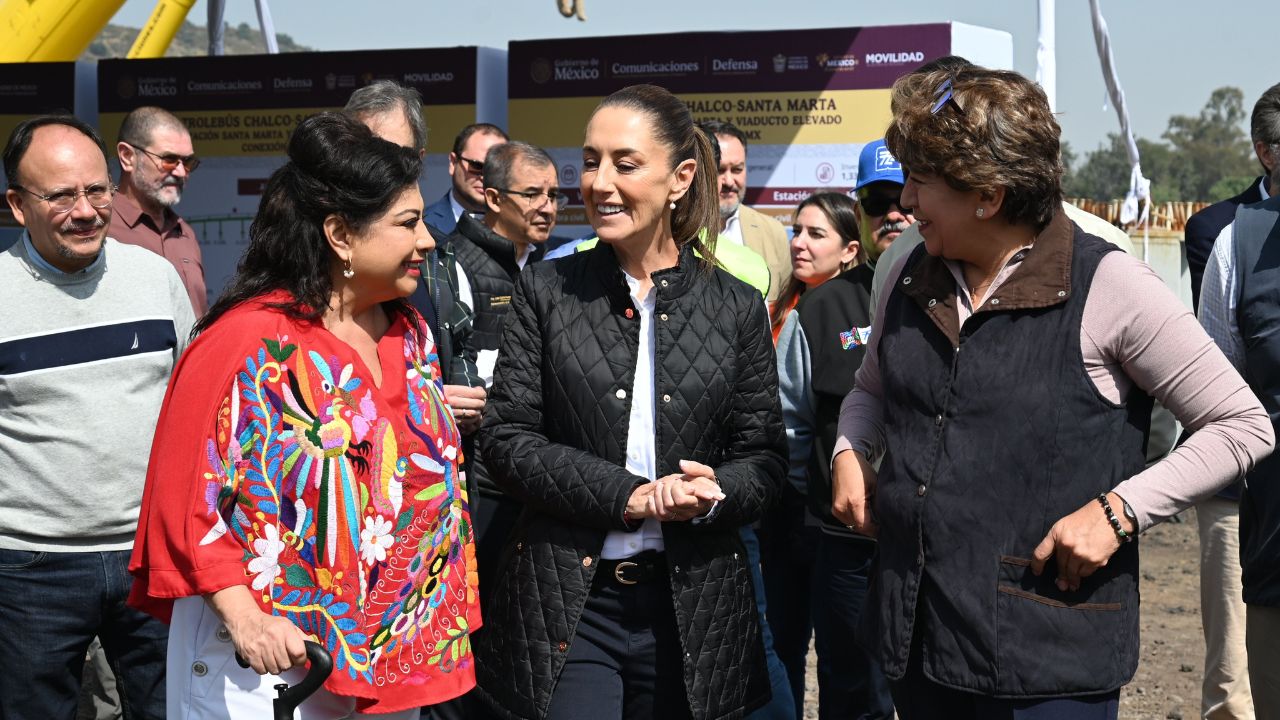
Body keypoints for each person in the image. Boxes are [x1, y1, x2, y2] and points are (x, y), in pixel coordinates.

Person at [830, 66, 1273, 719]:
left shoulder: (1109, 285)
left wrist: (1120, 512)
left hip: (1048, 662)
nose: (905, 202)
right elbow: (871, 387)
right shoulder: (908, 274)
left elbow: (1242, 425)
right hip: (919, 645)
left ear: (987, 194)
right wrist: (849, 448)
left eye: (920, 181)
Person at [127, 112, 480, 719]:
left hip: (398, 658)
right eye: (408, 223)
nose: (428, 240)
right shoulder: (247, 343)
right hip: (275, 661)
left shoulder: (411, 332)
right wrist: (245, 619)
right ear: (341, 234)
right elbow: (184, 504)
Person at [473, 84, 786, 720]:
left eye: (625, 163)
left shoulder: (734, 306)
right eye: (590, 161)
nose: (600, 182)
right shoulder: (547, 290)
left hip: (694, 605)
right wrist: (628, 495)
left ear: (681, 177)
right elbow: (508, 440)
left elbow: (765, 461)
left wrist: (716, 490)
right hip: (570, 602)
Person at [1, 114, 195, 720]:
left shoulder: (155, 278)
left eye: (96, 189)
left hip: (152, 557)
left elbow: (195, 408)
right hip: (30, 570)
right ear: (16, 204)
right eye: (60, 195)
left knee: (175, 710)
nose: (85, 210)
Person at [767, 192, 893, 719]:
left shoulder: (951, 292)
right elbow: (790, 422)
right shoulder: (817, 310)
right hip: (836, 531)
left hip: (932, 532)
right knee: (849, 681)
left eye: (816, 233)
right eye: (879, 202)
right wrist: (814, 490)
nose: (896, 213)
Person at [1187, 81, 1280, 720]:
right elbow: (1220, 391)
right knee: (1243, 676)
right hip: (1259, 503)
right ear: (1265, 152)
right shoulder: (1228, 241)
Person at [343, 81, 487, 436]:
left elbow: (462, 347)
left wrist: (461, 397)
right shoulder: (312, 257)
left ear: (419, 160)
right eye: (364, 152)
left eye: (394, 155)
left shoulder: (441, 257)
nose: (378, 170)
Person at [109, 106, 208, 315]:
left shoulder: (185, 233)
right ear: (127, 156)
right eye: (169, 159)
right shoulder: (100, 230)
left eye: (187, 162)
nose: (181, 172)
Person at [700, 120, 791, 303]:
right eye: (719, 170)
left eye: (737, 169)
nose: (729, 181)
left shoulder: (773, 232)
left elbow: (784, 307)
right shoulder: (675, 233)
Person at [424, 124, 509, 234]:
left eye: (496, 170)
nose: (486, 177)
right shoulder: (422, 225)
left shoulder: (522, 231)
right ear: (453, 163)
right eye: (477, 166)